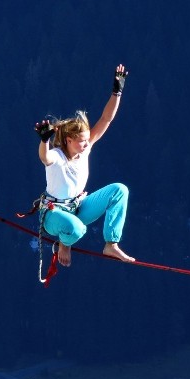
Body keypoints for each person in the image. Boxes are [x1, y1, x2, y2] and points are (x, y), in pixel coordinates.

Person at [34, 64, 134, 267]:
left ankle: (111, 244)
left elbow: (106, 119)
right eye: (82, 140)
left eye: (87, 139)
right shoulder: (57, 156)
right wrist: (44, 140)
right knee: (78, 229)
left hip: (78, 207)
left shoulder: (84, 150)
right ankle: (64, 243)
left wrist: (117, 91)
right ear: (69, 140)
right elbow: (45, 158)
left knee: (119, 190)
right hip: (54, 216)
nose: (87, 143)